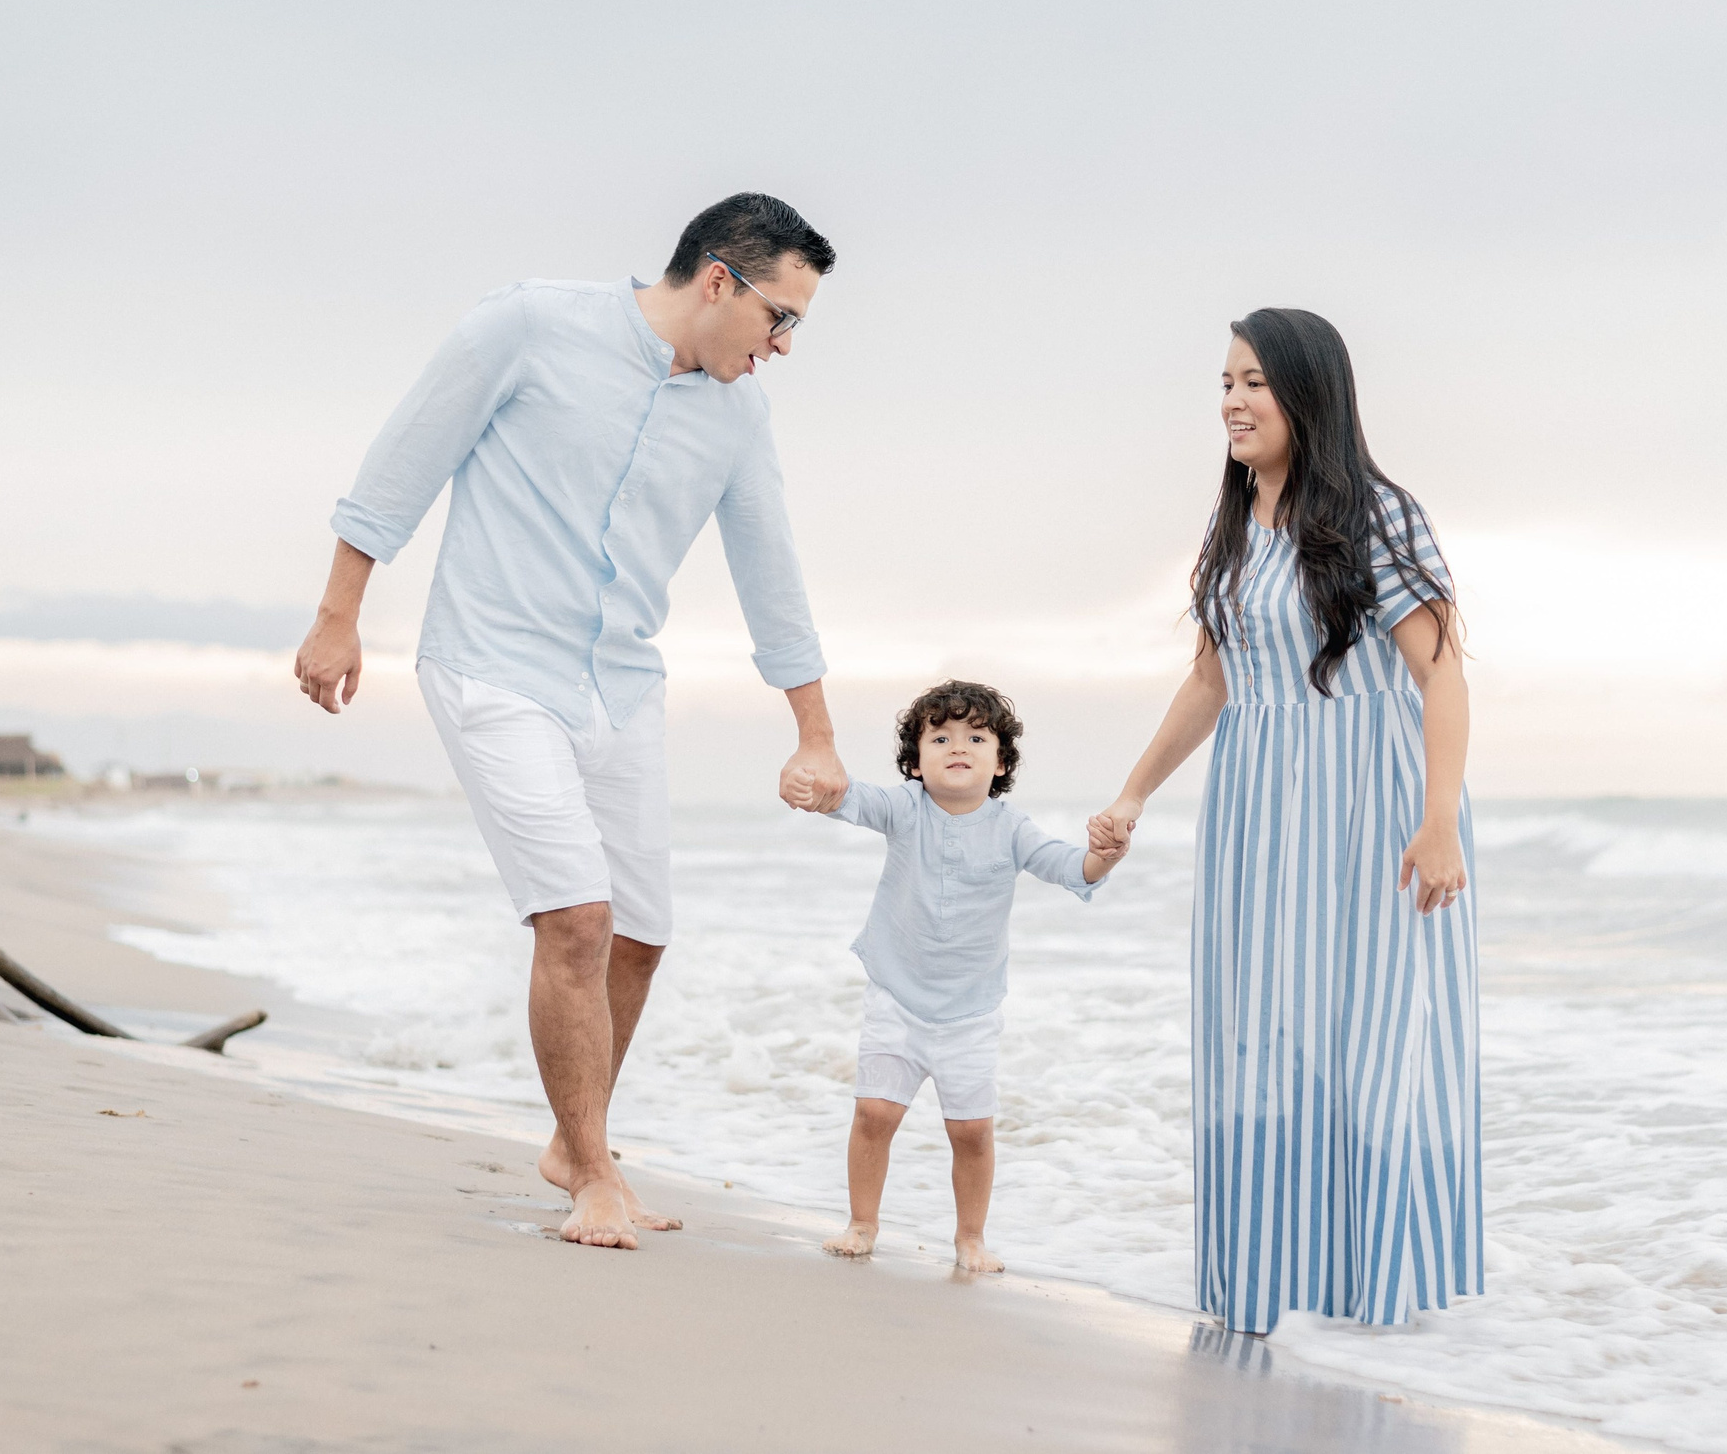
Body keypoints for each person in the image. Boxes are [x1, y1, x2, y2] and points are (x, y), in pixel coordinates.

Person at [293, 193, 852, 1251]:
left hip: (620, 684)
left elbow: (771, 572)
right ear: (720, 280)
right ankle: (593, 1173)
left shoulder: (738, 417)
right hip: (494, 663)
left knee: (640, 934)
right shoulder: (529, 325)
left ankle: (569, 1137)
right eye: (782, 317)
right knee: (577, 921)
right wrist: (338, 616)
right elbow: (403, 459)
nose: (783, 345)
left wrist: (812, 730)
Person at [1088, 307, 1479, 1335]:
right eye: (1225, 381)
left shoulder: (1375, 513)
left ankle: (1373, 1303)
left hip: (1372, 805)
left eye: (1254, 380)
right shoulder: (1233, 523)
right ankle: (1265, 1290)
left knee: (1370, 1038)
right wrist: (1132, 793)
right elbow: (1214, 675)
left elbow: (1439, 675)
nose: (1231, 400)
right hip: (1259, 811)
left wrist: (1437, 821)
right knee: (1258, 1033)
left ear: (1310, 391)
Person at [785, 680, 1127, 1274]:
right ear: (917, 763)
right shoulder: (904, 808)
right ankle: (862, 1222)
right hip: (896, 998)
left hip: (970, 1013)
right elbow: (849, 799)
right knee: (875, 1115)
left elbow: (1072, 868)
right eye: (940, 737)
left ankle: (971, 1235)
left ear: (1000, 763)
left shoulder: (1012, 828)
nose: (957, 746)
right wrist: (809, 787)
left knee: (970, 1129)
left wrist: (1106, 853)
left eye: (976, 736)